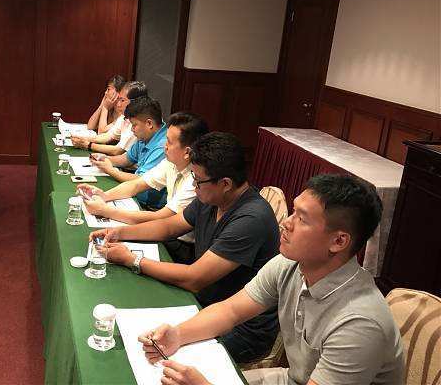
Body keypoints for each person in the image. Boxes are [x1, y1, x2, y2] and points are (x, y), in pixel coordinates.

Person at [140, 174, 405, 385]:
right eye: (293, 212)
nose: (286, 223)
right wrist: (178, 334)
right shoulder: (290, 264)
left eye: (302, 219)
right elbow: (230, 311)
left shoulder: (359, 323)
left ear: (338, 241)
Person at [90, 132, 280, 362]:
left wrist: (133, 260)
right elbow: (168, 227)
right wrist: (118, 232)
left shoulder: (251, 219)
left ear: (225, 184)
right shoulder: (212, 198)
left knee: (148, 353)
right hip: (208, 304)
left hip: (241, 328)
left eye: (198, 180)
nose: (193, 184)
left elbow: (194, 278)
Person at [79, 112, 208, 263]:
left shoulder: (196, 181)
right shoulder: (171, 162)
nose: (164, 146)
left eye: (169, 142)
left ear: (187, 152)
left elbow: (161, 218)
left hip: (181, 246)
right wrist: (105, 196)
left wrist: (106, 211)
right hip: (163, 232)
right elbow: (137, 184)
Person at [90, 95, 168, 209]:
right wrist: (106, 159)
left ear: (149, 124)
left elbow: (141, 181)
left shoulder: (163, 146)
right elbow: (126, 159)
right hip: (136, 196)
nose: (132, 129)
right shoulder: (146, 136)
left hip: (151, 207)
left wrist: (111, 170)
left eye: (134, 125)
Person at [72, 81, 147, 156]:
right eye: (119, 99)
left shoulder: (138, 122)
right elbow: (108, 136)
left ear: (135, 102)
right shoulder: (125, 116)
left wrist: (88, 145)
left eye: (122, 100)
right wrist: (83, 139)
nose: (118, 104)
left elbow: (118, 151)